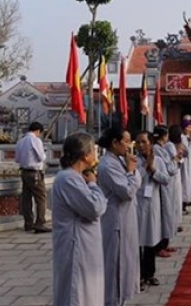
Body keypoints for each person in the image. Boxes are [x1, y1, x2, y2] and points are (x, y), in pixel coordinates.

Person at [51, 131, 107, 306]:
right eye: (94, 150)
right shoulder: (68, 179)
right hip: (77, 245)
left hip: (85, 243)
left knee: (88, 291)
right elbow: (94, 208)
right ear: (85, 155)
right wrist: (93, 185)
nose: (96, 154)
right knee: (77, 293)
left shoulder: (76, 177)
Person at [97, 126, 141, 306]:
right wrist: (131, 172)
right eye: (126, 141)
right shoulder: (107, 165)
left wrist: (132, 171)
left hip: (127, 218)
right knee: (115, 266)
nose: (129, 145)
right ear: (114, 143)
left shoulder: (120, 160)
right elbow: (127, 191)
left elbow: (138, 179)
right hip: (116, 221)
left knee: (127, 262)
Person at [136, 131, 171, 289]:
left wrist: (154, 171)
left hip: (152, 204)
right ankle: (138, 276)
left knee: (150, 240)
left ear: (150, 143)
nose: (141, 145)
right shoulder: (133, 161)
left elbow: (166, 179)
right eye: (138, 142)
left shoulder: (159, 160)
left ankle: (150, 274)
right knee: (137, 243)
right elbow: (134, 180)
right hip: (137, 203)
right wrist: (145, 168)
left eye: (144, 142)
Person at [15, 121, 50, 233]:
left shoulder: (20, 141)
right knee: (41, 198)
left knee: (26, 199)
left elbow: (17, 159)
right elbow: (41, 157)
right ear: (38, 131)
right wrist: (44, 152)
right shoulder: (35, 140)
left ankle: (28, 223)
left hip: (24, 172)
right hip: (35, 173)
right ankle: (40, 223)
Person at [156, 125, 183, 256]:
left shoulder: (161, 148)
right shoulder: (158, 149)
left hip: (168, 184)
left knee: (168, 213)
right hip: (163, 185)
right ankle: (159, 246)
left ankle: (165, 243)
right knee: (163, 215)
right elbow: (170, 168)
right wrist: (176, 159)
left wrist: (176, 159)